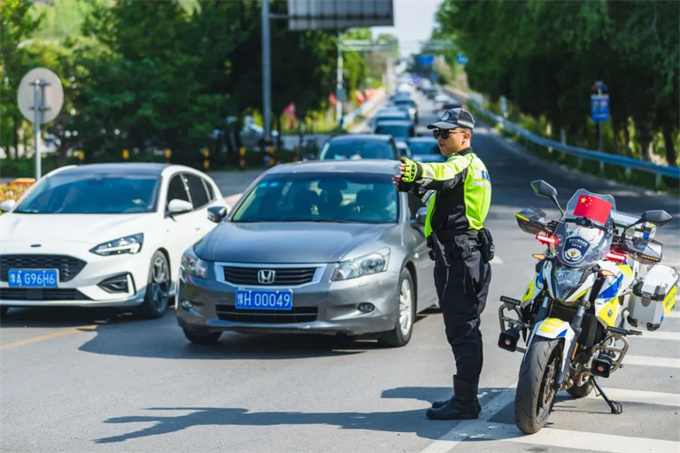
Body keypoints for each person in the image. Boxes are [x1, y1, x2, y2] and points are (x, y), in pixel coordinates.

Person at [392, 108, 493, 420]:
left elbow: (442, 174)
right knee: (463, 328)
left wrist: (418, 171)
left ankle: (464, 402)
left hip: (459, 257)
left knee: (463, 330)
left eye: (445, 133)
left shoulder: (461, 164)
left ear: (465, 136)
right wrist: (414, 187)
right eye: (436, 133)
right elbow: (442, 199)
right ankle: (467, 398)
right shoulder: (472, 167)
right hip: (464, 255)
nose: (439, 138)